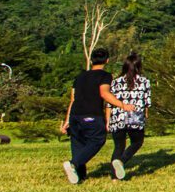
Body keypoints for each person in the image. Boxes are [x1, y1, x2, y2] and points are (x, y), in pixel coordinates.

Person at [61, 47, 138, 184]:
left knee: (78, 143)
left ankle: (79, 176)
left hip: (75, 115)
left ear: (91, 60)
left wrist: (67, 120)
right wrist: (123, 105)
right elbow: (104, 93)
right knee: (97, 140)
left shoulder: (80, 77)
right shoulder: (104, 76)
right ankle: (73, 164)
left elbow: (73, 99)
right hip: (91, 114)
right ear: (107, 60)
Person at [108, 50, 151, 179]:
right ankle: (122, 161)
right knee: (137, 142)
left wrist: (107, 120)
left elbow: (109, 103)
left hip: (117, 117)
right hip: (135, 117)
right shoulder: (144, 81)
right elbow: (147, 101)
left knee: (119, 146)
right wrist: (146, 114)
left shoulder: (115, 82)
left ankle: (114, 176)